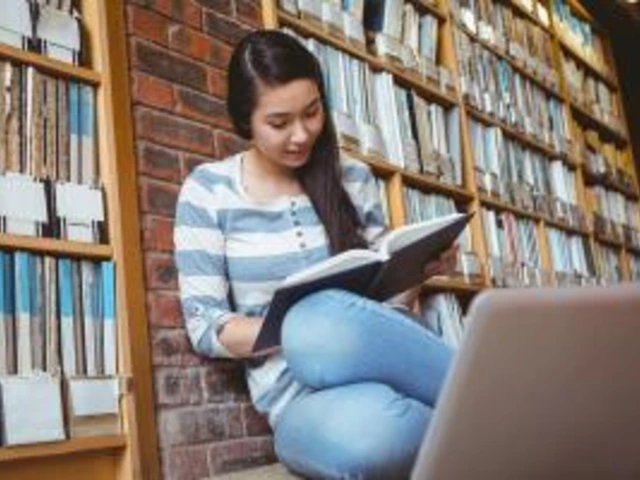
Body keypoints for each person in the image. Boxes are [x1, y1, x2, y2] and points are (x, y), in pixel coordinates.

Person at [174, 30, 455, 479]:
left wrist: (416, 269)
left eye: (312, 112)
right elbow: (206, 327)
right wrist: (299, 329)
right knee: (376, 433)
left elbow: (389, 309)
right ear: (244, 121)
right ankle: (478, 406)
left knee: (329, 320)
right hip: (296, 401)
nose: (302, 135)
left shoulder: (353, 177)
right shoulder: (209, 190)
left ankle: (489, 403)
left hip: (380, 364)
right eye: (280, 123)